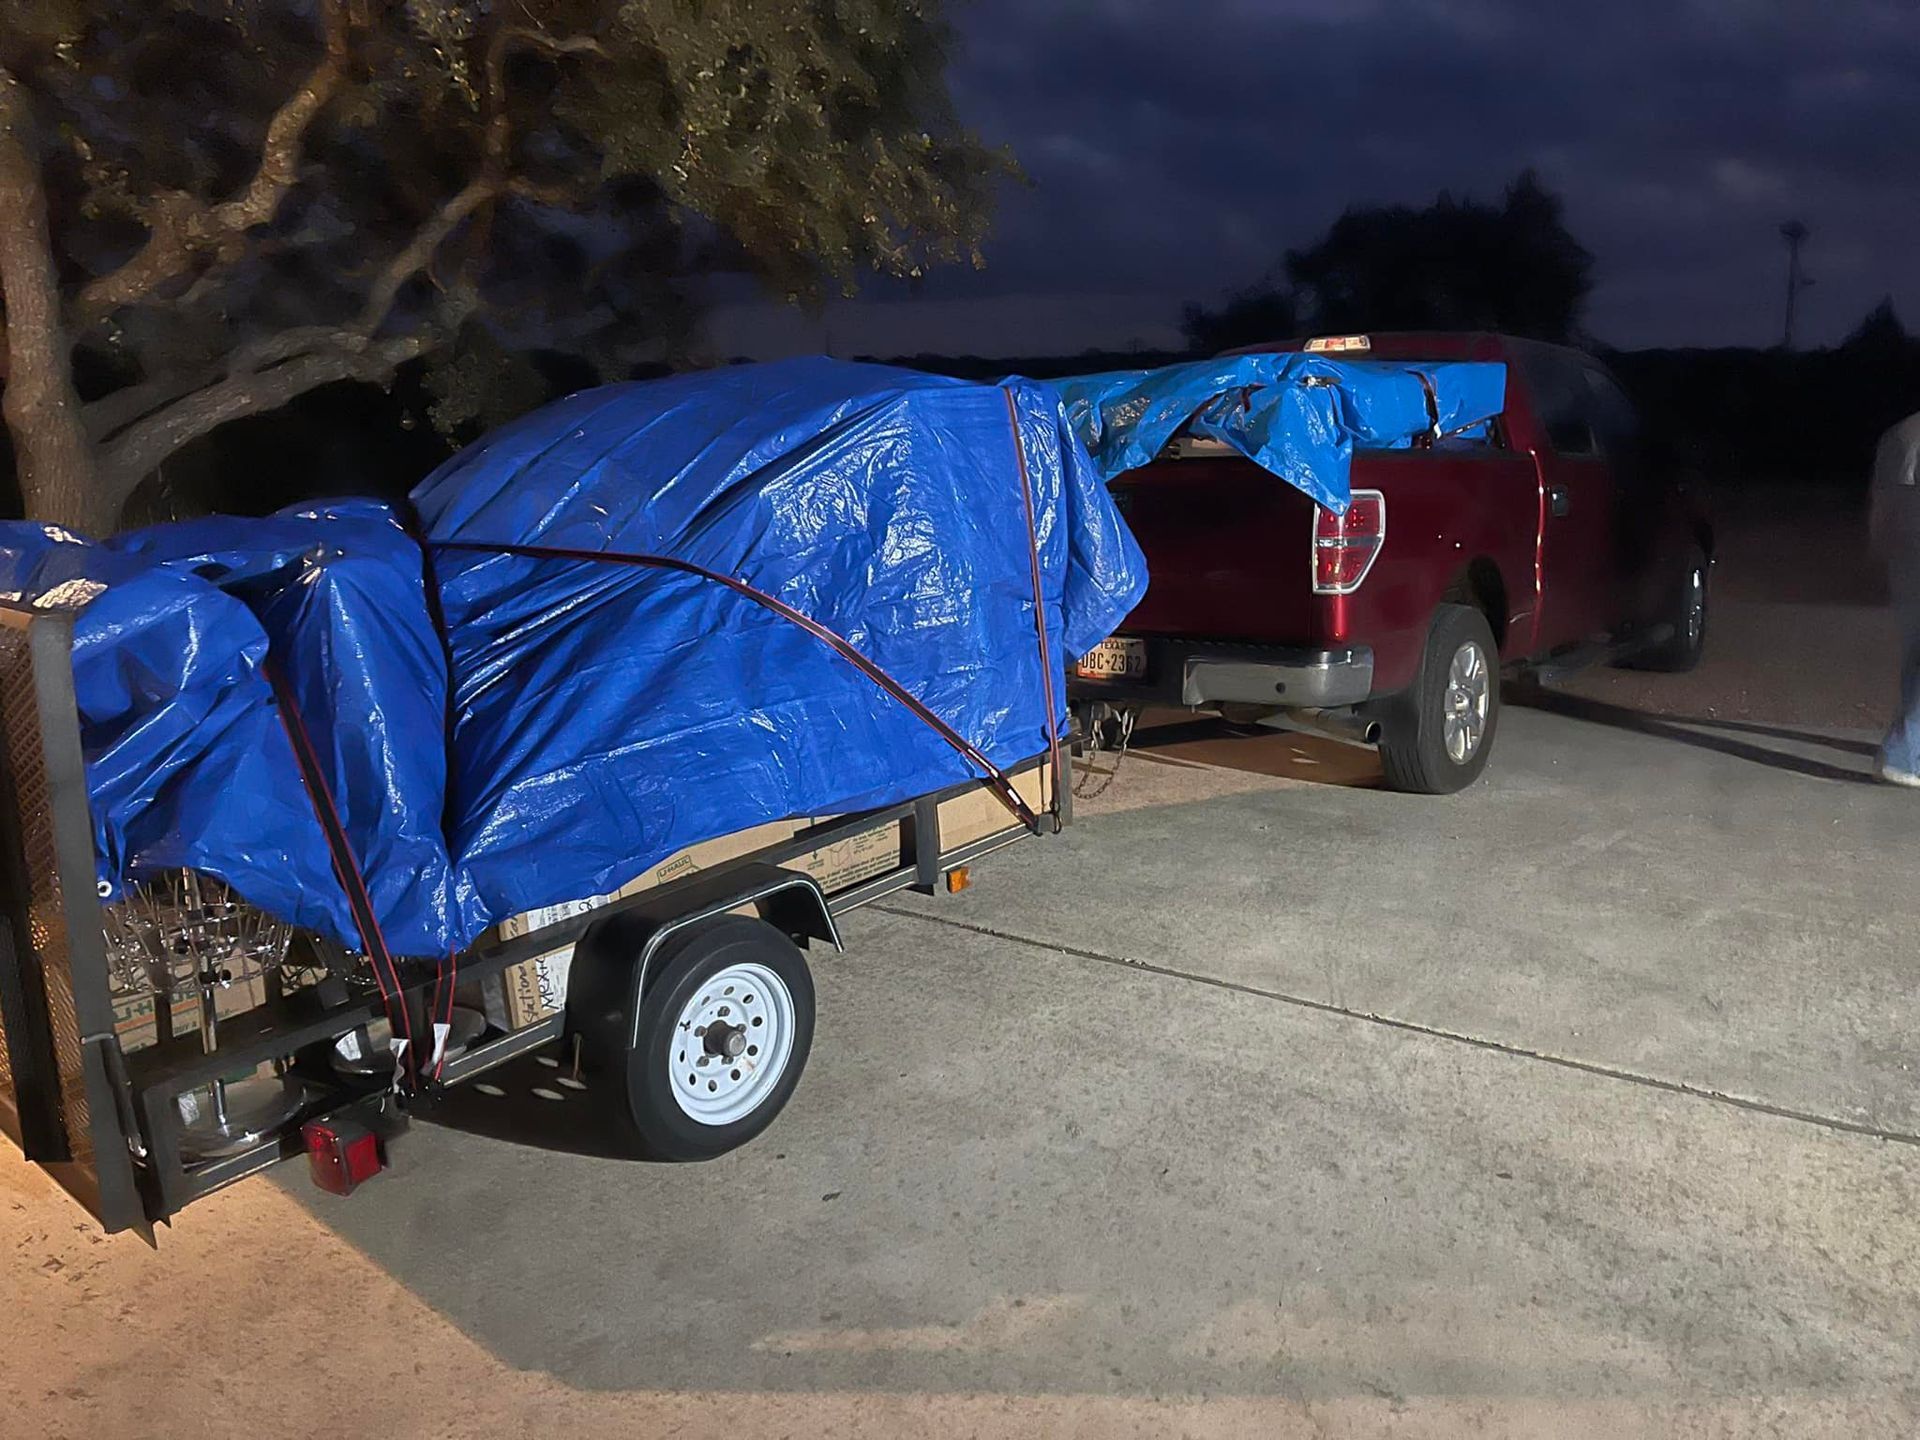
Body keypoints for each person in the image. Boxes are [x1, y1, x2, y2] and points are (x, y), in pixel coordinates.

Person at [1872, 409, 1920, 787]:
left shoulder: (1899, 431)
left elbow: (1883, 502)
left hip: (1903, 555)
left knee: (1914, 654)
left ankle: (1910, 747)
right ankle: (1902, 752)